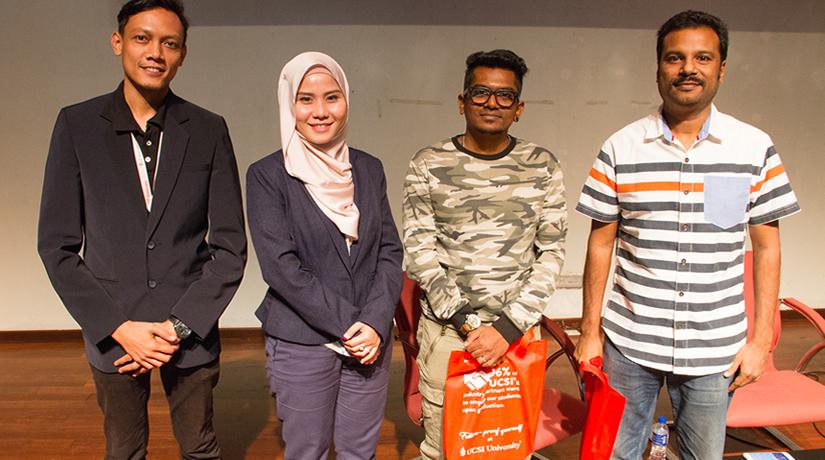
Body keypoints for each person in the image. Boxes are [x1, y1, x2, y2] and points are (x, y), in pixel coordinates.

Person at [575, 10, 800, 460]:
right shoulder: (621, 146)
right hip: (629, 341)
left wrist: (761, 342)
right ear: (659, 67)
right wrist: (589, 331)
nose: (688, 69)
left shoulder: (754, 146)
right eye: (675, 58)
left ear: (721, 68)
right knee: (614, 453)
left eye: (702, 57)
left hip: (715, 348)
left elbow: (767, 246)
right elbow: (600, 242)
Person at [37, 0, 247, 458]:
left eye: (169, 43)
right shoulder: (77, 125)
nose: (156, 52)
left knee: (200, 448)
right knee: (124, 451)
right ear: (118, 43)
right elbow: (57, 247)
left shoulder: (209, 129)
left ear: (183, 54)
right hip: (116, 329)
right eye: (142, 38)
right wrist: (117, 327)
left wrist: (179, 326)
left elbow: (230, 246)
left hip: (188, 326)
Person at [402, 49, 567, 459]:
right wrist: (470, 326)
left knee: (508, 447)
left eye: (504, 96)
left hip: (517, 336)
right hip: (449, 336)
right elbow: (420, 252)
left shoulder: (542, 166)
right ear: (462, 101)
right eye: (480, 92)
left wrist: (506, 331)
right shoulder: (428, 164)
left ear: (519, 108)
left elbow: (551, 253)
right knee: (444, 449)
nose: (492, 103)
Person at [246, 51, 403, 460]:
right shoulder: (267, 175)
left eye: (331, 97)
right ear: (289, 105)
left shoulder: (369, 169)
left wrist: (374, 322)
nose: (320, 111)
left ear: (347, 100)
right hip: (304, 340)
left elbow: (389, 251)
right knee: (307, 451)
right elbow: (281, 268)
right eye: (306, 99)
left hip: (371, 341)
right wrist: (352, 326)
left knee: (359, 452)